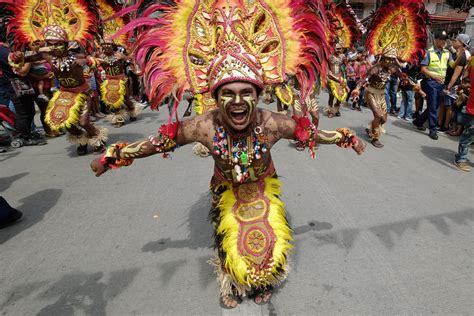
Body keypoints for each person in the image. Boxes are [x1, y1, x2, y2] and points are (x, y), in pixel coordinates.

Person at [91, 0, 365, 308]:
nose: (237, 101)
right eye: (228, 94)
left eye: (246, 93)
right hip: (227, 190)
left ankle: (266, 281)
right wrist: (112, 156)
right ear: (216, 98)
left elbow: (312, 135)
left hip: (263, 188)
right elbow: (158, 143)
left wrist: (346, 137)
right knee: (227, 242)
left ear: (258, 95)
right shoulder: (203, 126)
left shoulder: (271, 123)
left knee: (272, 241)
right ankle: (231, 284)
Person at [353, 0, 429, 148]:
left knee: (384, 118)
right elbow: (363, 80)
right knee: (378, 116)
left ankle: (371, 129)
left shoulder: (394, 67)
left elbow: (404, 77)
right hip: (371, 93)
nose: (389, 61)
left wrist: (416, 87)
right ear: (382, 57)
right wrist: (357, 89)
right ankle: (375, 137)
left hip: (381, 94)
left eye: (391, 59)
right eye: (387, 59)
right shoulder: (375, 68)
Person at [413, 30, 452, 140]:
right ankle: (433, 130)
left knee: (434, 106)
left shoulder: (447, 53)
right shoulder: (429, 52)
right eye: (441, 39)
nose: (444, 41)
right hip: (430, 83)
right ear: (435, 40)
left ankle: (418, 121)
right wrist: (434, 76)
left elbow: (453, 65)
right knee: (433, 106)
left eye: (445, 39)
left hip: (441, 84)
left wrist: (462, 54)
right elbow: (423, 69)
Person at [453, 56, 473, 172]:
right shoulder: (472, 61)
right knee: (469, 133)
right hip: (472, 104)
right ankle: (461, 159)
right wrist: (464, 88)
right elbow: (465, 79)